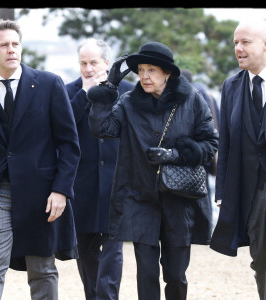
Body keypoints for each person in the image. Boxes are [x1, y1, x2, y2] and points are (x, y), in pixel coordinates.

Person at [87, 41, 219, 300]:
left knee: (175, 275)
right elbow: (101, 128)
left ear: (167, 73)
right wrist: (109, 87)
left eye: (152, 70)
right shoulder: (128, 102)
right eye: (141, 70)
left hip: (179, 201)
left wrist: (175, 155)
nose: (145, 76)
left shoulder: (192, 99)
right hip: (140, 198)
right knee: (146, 273)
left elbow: (210, 143)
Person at [0, 19, 80, 300]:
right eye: (4, 45)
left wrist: (61, 190)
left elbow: (69, 144)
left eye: (15, 44)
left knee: (42, 269)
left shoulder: (50, 84)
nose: (11, 50)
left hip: (42, 193)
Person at [66, 38, 134, 300]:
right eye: (83, 63)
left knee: (113, 251)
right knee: (85, 252)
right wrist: (84, 94)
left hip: (118, 183)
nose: (88, 68)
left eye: (93, 62)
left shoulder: (128, 91)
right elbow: (64, 129)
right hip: (82, 185)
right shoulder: (69, 92)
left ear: (107, 62)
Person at [210, 20, 266, 300]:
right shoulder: (231, 86)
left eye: (246, 42)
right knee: (261, 258)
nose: (239, 49)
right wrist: (221, 191)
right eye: (235, 43)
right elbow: (227, 144)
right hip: (252, 191)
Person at [181, 69, 220, 203]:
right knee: (205, 190)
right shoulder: (209, 95)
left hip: (193, 152)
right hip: (209, 149)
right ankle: (207, 221)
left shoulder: (187, 96)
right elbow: (219, 122)